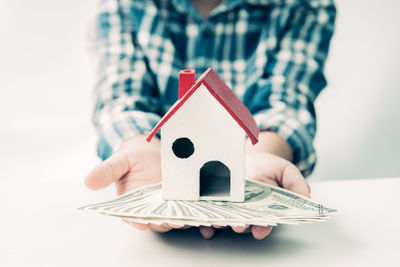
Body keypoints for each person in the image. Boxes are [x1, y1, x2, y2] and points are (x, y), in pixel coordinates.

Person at [84, 0, 336, 240]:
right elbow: (122, 96)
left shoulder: (304, 5)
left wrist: (264, 153)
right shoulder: (123, 4)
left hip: (246, 158)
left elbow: (286, 101)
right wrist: (138, 145)